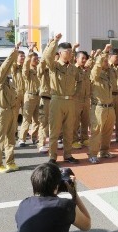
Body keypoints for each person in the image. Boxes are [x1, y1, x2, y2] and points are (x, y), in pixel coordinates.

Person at [15, 163, 114, 232]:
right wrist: (74, 194)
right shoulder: (64, 206)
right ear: (57, 186)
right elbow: (86, 225)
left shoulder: (23, 205)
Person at [44, 33, 80, 164]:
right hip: (57, 100)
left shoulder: (73, 68)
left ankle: (68, 155)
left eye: (71, 51)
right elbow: (47, 56)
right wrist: (55, 41)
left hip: (70, 101)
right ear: (59, 53)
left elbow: (80, 81)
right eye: (68, 51)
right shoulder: (54, 66)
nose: (70, 53)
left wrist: (76, 93)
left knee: (69, 130)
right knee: (54, 131)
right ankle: (52, 157)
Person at [0, 42, 21, 173]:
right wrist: (14, 52)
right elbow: (4, 67)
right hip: (1, 112)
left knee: (11, 138)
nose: (7, 71)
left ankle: (10, 162)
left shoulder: (8, 82)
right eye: (5, 70)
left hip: (11, 112)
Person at [88, 44, 116, 164]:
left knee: (108, 131)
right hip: (99, 107)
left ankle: (104, 151)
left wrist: (109, 67)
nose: (106, 62)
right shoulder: (95, 74)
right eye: (104, 61)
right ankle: (93, 154)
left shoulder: (108, 73)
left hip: (110, 107)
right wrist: (104, 52)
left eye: (107, 60)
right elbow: (97, 66)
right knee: (96, 131)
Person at [18, 43, 41, 147]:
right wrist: (30, 52)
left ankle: (34, 137)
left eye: (37, 59)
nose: (36, 60)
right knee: (27, 118)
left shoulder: (38, 69)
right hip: (30, 96)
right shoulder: (27, 70)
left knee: (37, 119)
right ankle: (22, 139)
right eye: (34, 59)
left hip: (38, 96)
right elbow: (25, 66)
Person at [72, 50, 92, 149]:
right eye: (82, 58)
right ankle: (74, 140)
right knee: (75, 121)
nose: (84, 60)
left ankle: (84, 139)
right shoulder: (73, 69)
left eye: (86, 58)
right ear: (76, 58)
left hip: (86, 99)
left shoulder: (88, 70)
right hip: (76, 99)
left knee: (85, 120)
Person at [36, 41, 52, 154]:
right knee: (43, 122)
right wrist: (47, 46)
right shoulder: (42, 70)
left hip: (55, 99)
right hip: (45, 99)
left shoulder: (54, 69)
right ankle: (41, 144)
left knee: (53, 123)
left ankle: (51, 143)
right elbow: (42, 62)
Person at [11, 51, 26, 138]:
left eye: (24, 56)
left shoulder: (25, 67)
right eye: (21, 56)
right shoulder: (15, 67)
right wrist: (15, 50)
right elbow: (12, 62)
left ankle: (24, 132)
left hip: (26, 92)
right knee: (15, 114)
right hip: (16, 92)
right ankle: (14, 131)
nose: (23, 58)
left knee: (26, 114)